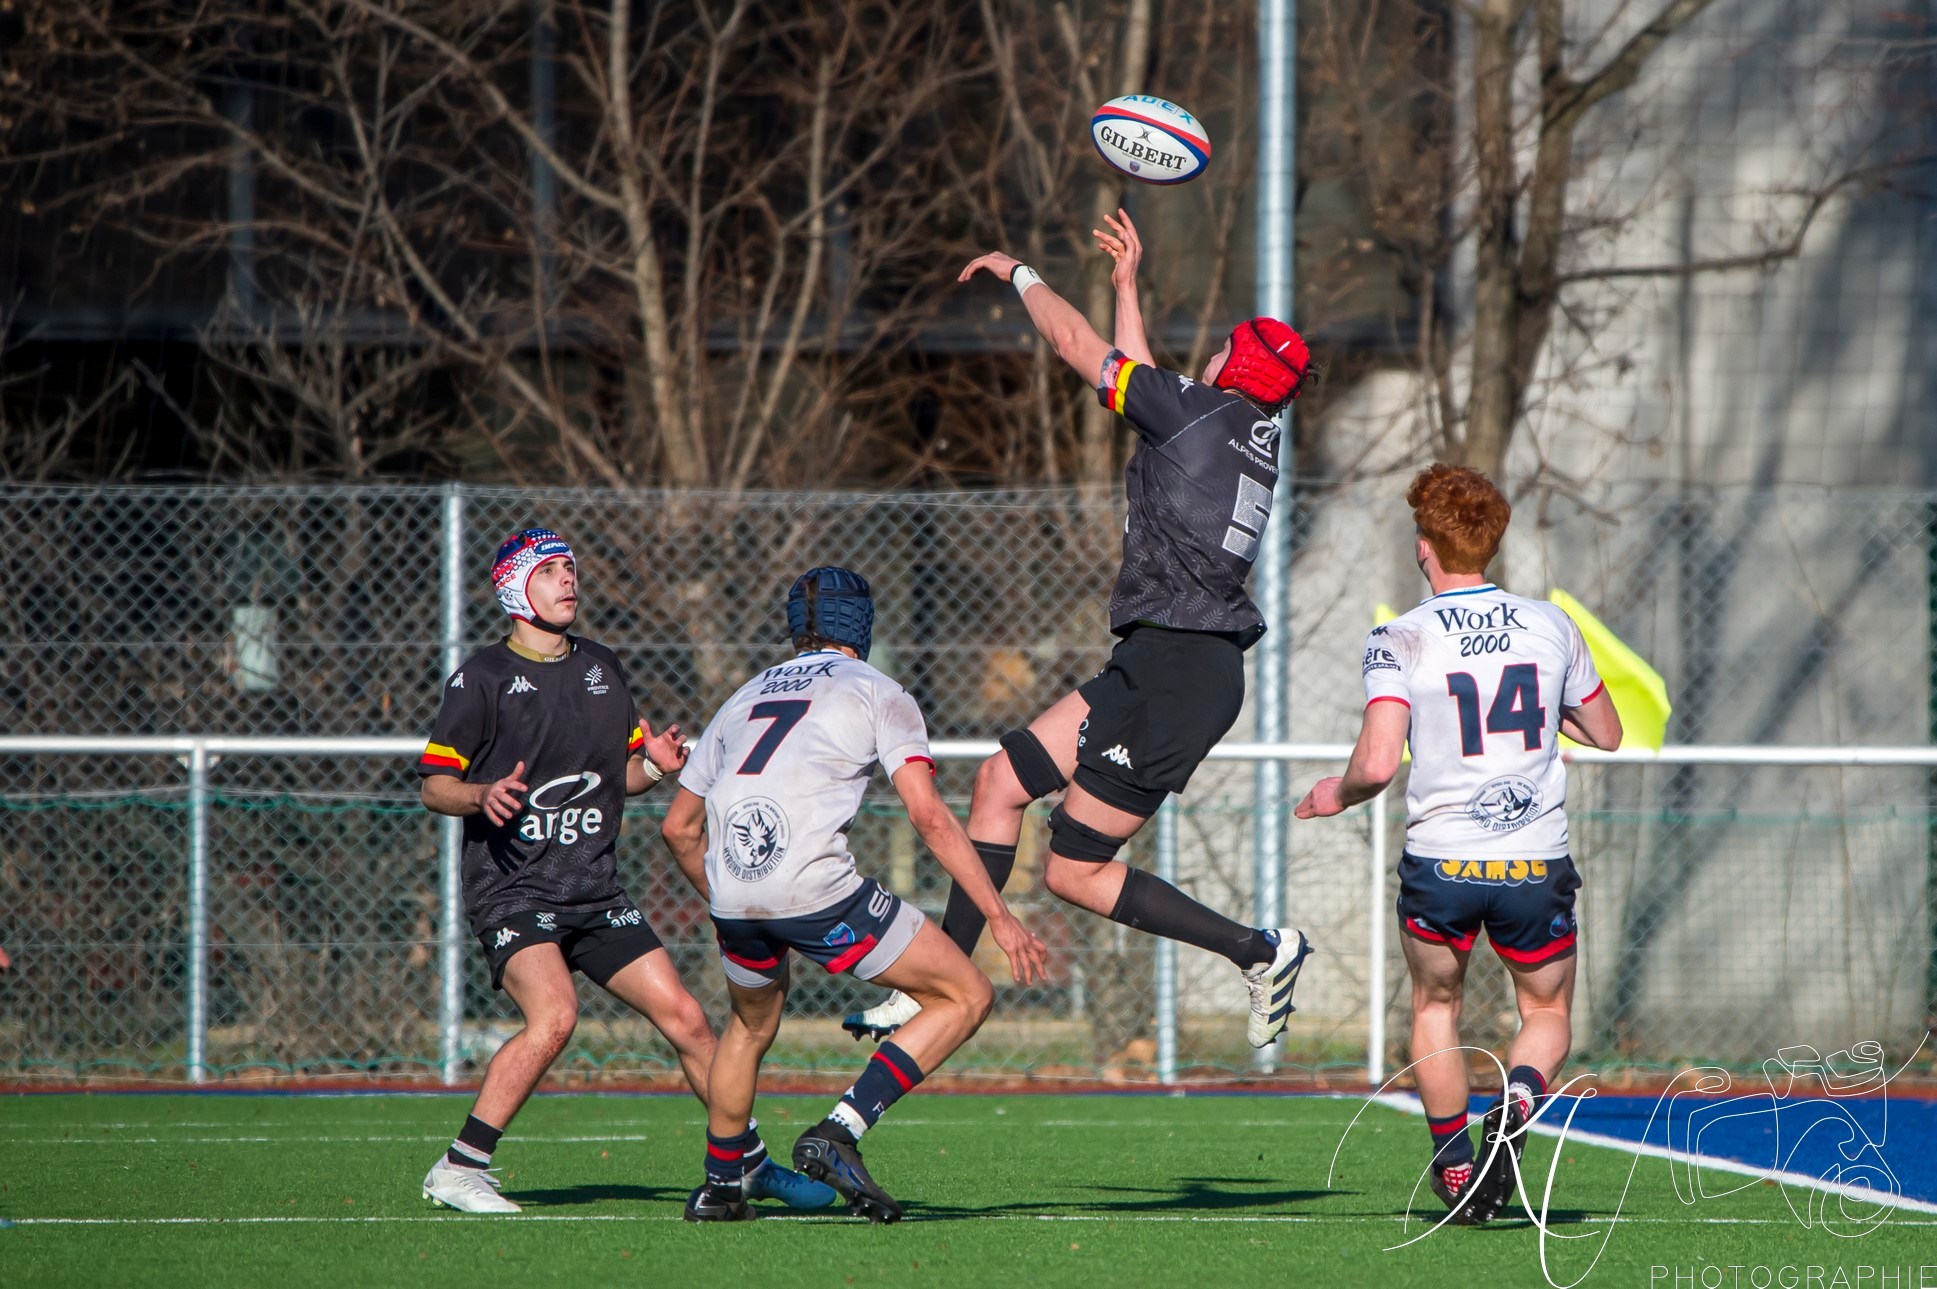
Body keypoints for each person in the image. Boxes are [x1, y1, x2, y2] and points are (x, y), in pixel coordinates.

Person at [847, 209, 1312, 1050]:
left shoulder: (1199, 413)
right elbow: (1134, 380)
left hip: (1179, 672)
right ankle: (942, 975)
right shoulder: (1241, 428)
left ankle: (1258, 948)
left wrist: (1021, 273)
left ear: (1230, 365)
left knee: (1071, 869)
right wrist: (1125, 284)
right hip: (1158, 661)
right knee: (997, 782)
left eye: (1220, 346)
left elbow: (1076, 348)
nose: (1202, 353)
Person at [416, 528, 833, 1216]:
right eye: (551, 571)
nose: (568, 581)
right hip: (515, 887)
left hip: (592, 887)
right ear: (515, 586)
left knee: (691, 1021)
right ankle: (459, 1166)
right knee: (554, 1016)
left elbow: (627, 773)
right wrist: (479, 795)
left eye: (571, 569)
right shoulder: (480, 679)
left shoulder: (602, 667)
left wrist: (658, 765)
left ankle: (747, 1162)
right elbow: (434, 784)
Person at [661, 567, 1048, 1223]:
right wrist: (999, 915)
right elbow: (927, 816)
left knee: (746, 1028)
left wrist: (731, 896)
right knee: (965, 993)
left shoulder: (740, 696)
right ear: (860, 623)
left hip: (732, 892)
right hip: (816, 891)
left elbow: (677, 827)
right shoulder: (877, 690)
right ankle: (839, 1129)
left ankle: (721, 1185)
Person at [1293, 465, 1622, 1222]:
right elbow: (1605, 731)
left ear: (1423, 548)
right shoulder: (1550, 624)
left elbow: (1377, 764)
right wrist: (1548, 719)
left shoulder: (1399, 637)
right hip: (1532, 861)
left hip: (1441, 859)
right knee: (1544, 1010)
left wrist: (1331, 794)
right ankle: (1517, 1098)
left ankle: (1452, 1172)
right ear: (1492, 542)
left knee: (1434, 1005)